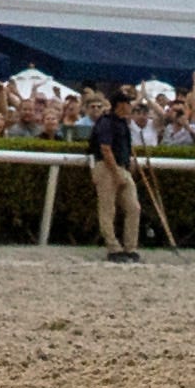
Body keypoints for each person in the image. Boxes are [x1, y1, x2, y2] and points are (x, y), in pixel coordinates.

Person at [87, 89, 141, 263]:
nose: (130, 108)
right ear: (121, 105)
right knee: (108, 209)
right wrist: (116, 171)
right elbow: (105, 148)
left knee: (134, 207)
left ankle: (130, 247)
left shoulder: (123, 123)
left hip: (122, 167)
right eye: (128, 104)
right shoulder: (106, 122)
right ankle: (113, 248)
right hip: (107, 168)